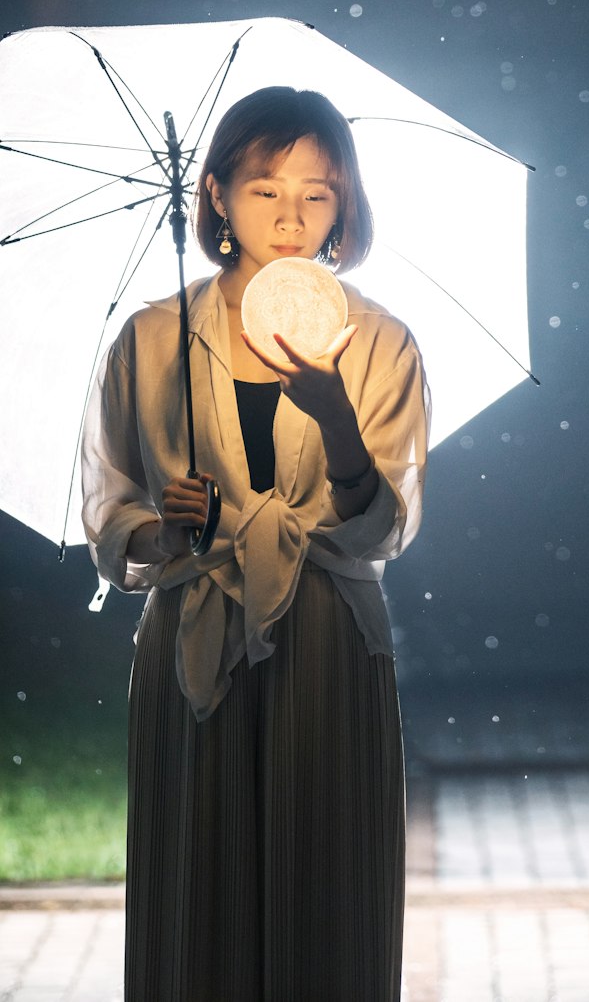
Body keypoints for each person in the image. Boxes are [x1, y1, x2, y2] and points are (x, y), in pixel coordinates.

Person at [81, 86, 429, 1002]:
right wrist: (170, 521)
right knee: (201, 883)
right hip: (197, 628)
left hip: (324, 638)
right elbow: (112, 512)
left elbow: (383, 526)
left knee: (324, 884)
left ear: (345, 204)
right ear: (217, 197)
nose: (291, 215)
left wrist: (339, 424)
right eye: (265, 188)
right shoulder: (152, 341)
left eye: (317, 192)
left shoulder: (380, 342)